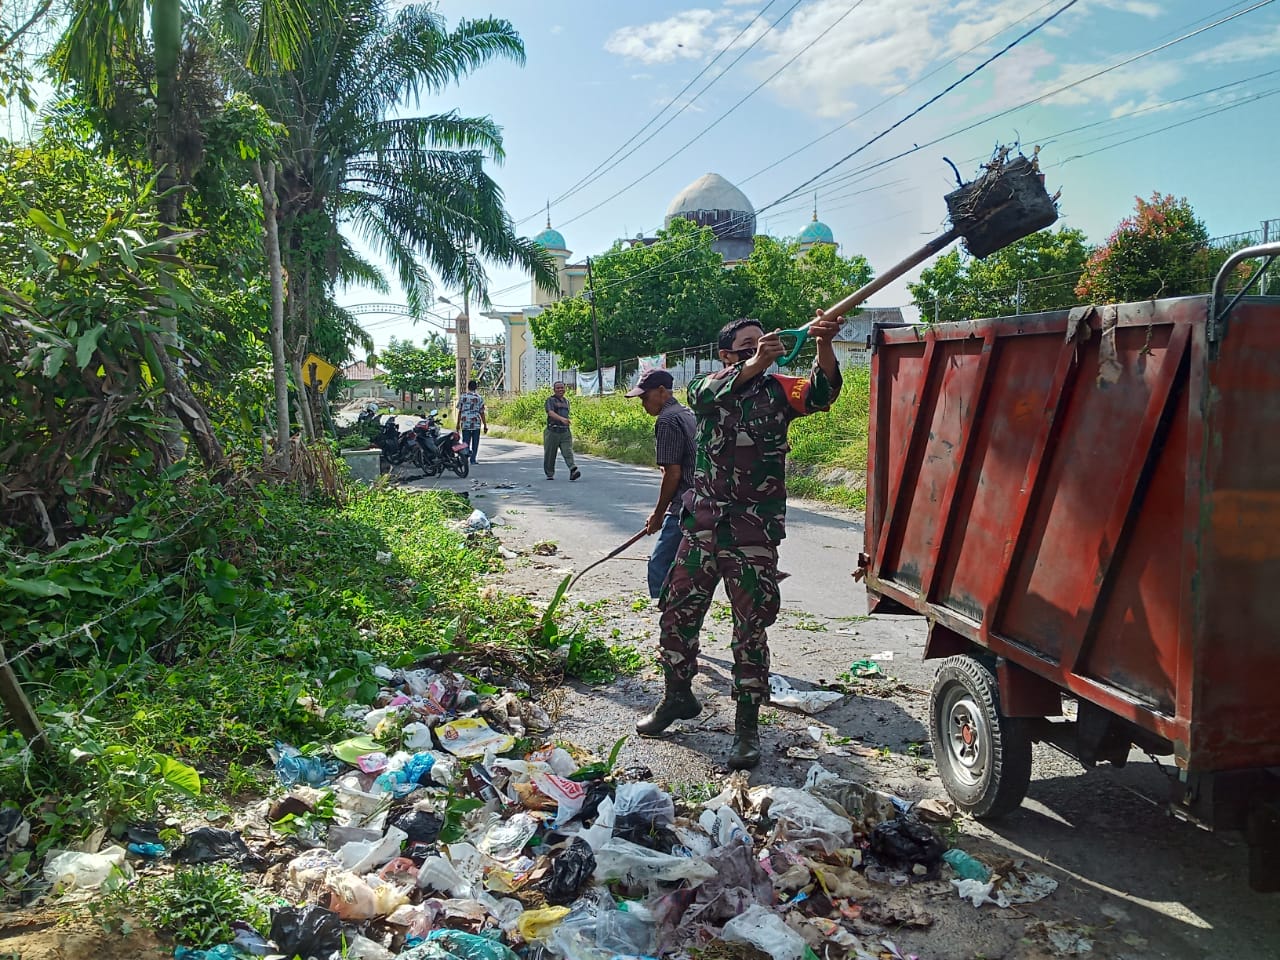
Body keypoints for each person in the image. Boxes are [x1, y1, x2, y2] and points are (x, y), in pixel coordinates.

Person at [636, 312, 844, 770]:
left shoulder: (780, 391)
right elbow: (709, 394)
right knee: (676, 616)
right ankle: (676, 697)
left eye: (764, 342)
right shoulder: (706, 390)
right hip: (703, 526)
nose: (762, 348)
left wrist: (824, 346)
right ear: (727, 355)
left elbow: (822, 392)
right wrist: (751, 364)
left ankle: (746, 729)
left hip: (753, 532)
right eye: (748, 345)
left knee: (750, 630)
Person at [626, 368, 696, 599]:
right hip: (701, 500)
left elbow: (673, 474)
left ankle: (667, 616)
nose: (643, 404)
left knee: (659, 565)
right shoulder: (686, 412)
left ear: (662, 391)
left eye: (645, 398)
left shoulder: (667, 420)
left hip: (684, 505)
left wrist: (658, 514)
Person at [543, 381, 581, 481]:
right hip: (552, 430)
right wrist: (562, 419)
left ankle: (573, 469)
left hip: (565, 432)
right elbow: (550, 413)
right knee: (550, 454)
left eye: (562, 388)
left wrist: (566, 421)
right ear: (554, 390)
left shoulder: (566, 401)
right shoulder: (550, 400)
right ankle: (549, 473)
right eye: (558, 388)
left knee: (568, 451)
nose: (560, 390)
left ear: (565, 389)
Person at [455, 379, 488, 464]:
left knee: (465, 442)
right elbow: (482, 412)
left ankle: (464, 458)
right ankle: (473, 459)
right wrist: (485, 425)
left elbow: (460, 411)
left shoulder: (463, 397)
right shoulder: (479, 398)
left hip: (465, 422)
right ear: (476, 387)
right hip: (476, 423)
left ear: (468, 387)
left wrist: (458, 424)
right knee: (475, 442)